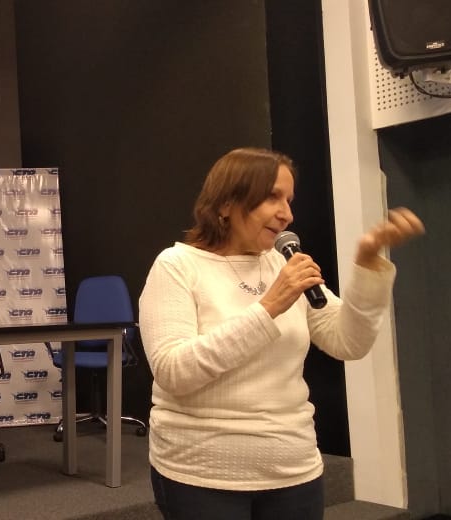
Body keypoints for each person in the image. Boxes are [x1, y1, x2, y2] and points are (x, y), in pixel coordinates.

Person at [138, 147, 424, 520]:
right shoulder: (177, 265)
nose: (286, 213)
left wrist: (368, 264)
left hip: (294, 469)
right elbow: (174, 372)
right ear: (226, 203)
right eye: (272, 197)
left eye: (289, 200)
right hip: (202, 473)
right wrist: (269, 306)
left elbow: (348, 342)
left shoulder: (282, 262)